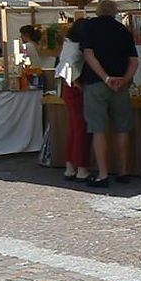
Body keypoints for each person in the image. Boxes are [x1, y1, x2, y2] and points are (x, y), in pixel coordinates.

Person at [79, 0, 138, 188]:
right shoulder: (123, 30)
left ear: (98, 11)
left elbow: (88, 55)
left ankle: (103, 174)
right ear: (115, 12)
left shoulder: (89, 26)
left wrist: (105, 78)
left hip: (97, 83)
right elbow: (134, 61)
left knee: (98, 129)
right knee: (123, 128)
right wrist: (124, 79)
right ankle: (124, 171)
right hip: (120, 84)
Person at [54, 20, 91, 182]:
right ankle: (81, 168)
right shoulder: (76, 47)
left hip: (68, 88)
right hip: (75, 88)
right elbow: (70, 67)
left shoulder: (68, 44)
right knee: (81, 128)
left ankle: (70, 166)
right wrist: (77, 83)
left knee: (74, 128)